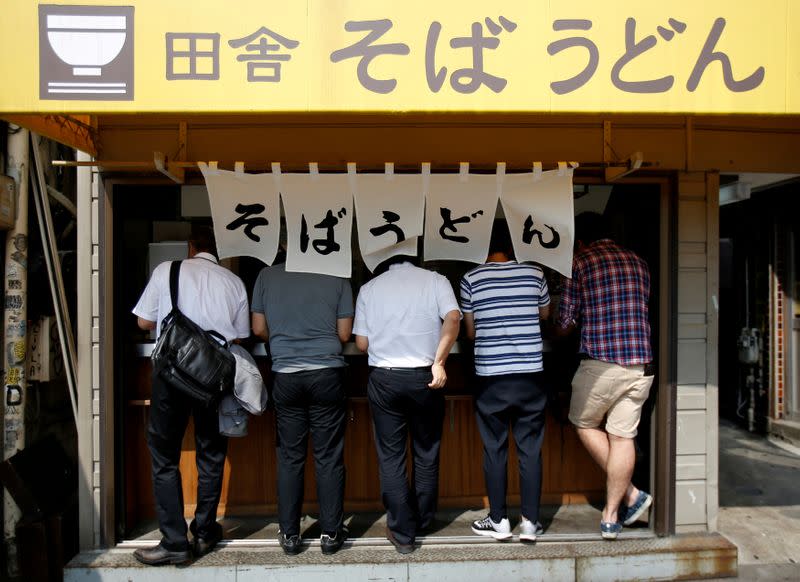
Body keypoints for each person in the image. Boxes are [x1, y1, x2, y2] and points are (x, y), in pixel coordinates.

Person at [132, 227, 250, 565]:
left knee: (164, 455)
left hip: (170, 376)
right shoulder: (234, 282)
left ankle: (174, 542)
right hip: (212, 380)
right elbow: (240, 337)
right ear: (222, 251)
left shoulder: (166, 270)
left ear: (190, 247)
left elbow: (143, 322)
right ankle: (204, 532)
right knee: (211, 454)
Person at [556, 212, 654, 540]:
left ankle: (631, 496)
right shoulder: (639, 262)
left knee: (583, 423)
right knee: (623, 437)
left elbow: (567, 321)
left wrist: (554, 330)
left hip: (601, 363)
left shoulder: (580, 261)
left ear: (581, 240)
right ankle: (611, 517)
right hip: (639, 365)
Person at [353, 255, 461, 554]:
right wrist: (439, 361)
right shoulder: (436, 281)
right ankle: (423, 519)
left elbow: (361, 344)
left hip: (385, 377)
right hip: (426, 375)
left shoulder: (370, 288)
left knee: (391, 456)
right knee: (426, 450)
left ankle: (402, 534)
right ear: (417, 259)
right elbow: (454, 318)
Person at [251, 257, 353, 556]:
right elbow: (345, 334)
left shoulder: (266, 276)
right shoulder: (337, 274)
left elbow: (258, 328)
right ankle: (332, 534)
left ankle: (290, 535)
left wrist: (282, 340)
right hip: (327, 374)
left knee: (290, 457)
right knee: (328, 456)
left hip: (286, 374)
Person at [460, 222, 551, 542]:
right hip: (530, 374)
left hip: (491, 378)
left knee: (494, 449)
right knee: (530, 449)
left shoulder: (471, 279)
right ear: (514, 246)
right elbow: (544, 315)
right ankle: (530, 522)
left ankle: (499, 520)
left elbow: (469, 333)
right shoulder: (535, 274)